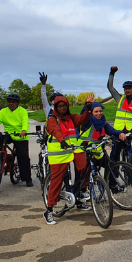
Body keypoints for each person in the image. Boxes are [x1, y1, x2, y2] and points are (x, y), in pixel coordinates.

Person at [43, 95, 92, 224]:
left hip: (74, 150)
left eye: (64, 105)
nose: (62, 108)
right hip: (59, 153)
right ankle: (49, 210)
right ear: (56, 108)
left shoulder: (71, 118)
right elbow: (55, 131)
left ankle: (81, 192)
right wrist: (62, 141)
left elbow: (82, 119)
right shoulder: (52, 120)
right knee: (56, 181)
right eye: (59, 106)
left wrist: (88, 108)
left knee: (85, 166)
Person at [0, 93, 34, 187]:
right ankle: (2, 155)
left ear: (18, 103)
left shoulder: (22, 111)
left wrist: (24, 130)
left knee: (23, 157)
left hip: (20, 136)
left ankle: (27, 178)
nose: (11, 104)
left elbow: (25, 122)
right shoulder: (3, 111)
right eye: (9, 102)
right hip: (9, 134)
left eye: (13, 102)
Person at [77, 101, 127, 192]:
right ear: (91, 112)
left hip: (97, 152)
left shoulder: (102, 122)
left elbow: (111, 130)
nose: (99, 113)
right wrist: (86, 106)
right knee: (85, 174)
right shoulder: (87, 122)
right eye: (96, 112)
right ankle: (82, 193)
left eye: (100, 111)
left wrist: (120, 133)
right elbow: (82, 116)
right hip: (85, 152)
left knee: (110, 165)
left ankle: (113, 186)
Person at [107, 66, 132, 166]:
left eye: (129, 88)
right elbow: (110, 87)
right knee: (114, 154)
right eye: (126, 89)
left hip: (131, 131)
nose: (127, 90)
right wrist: (112, 74)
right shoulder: (120, 99)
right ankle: (112, 178)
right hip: (118, 131)